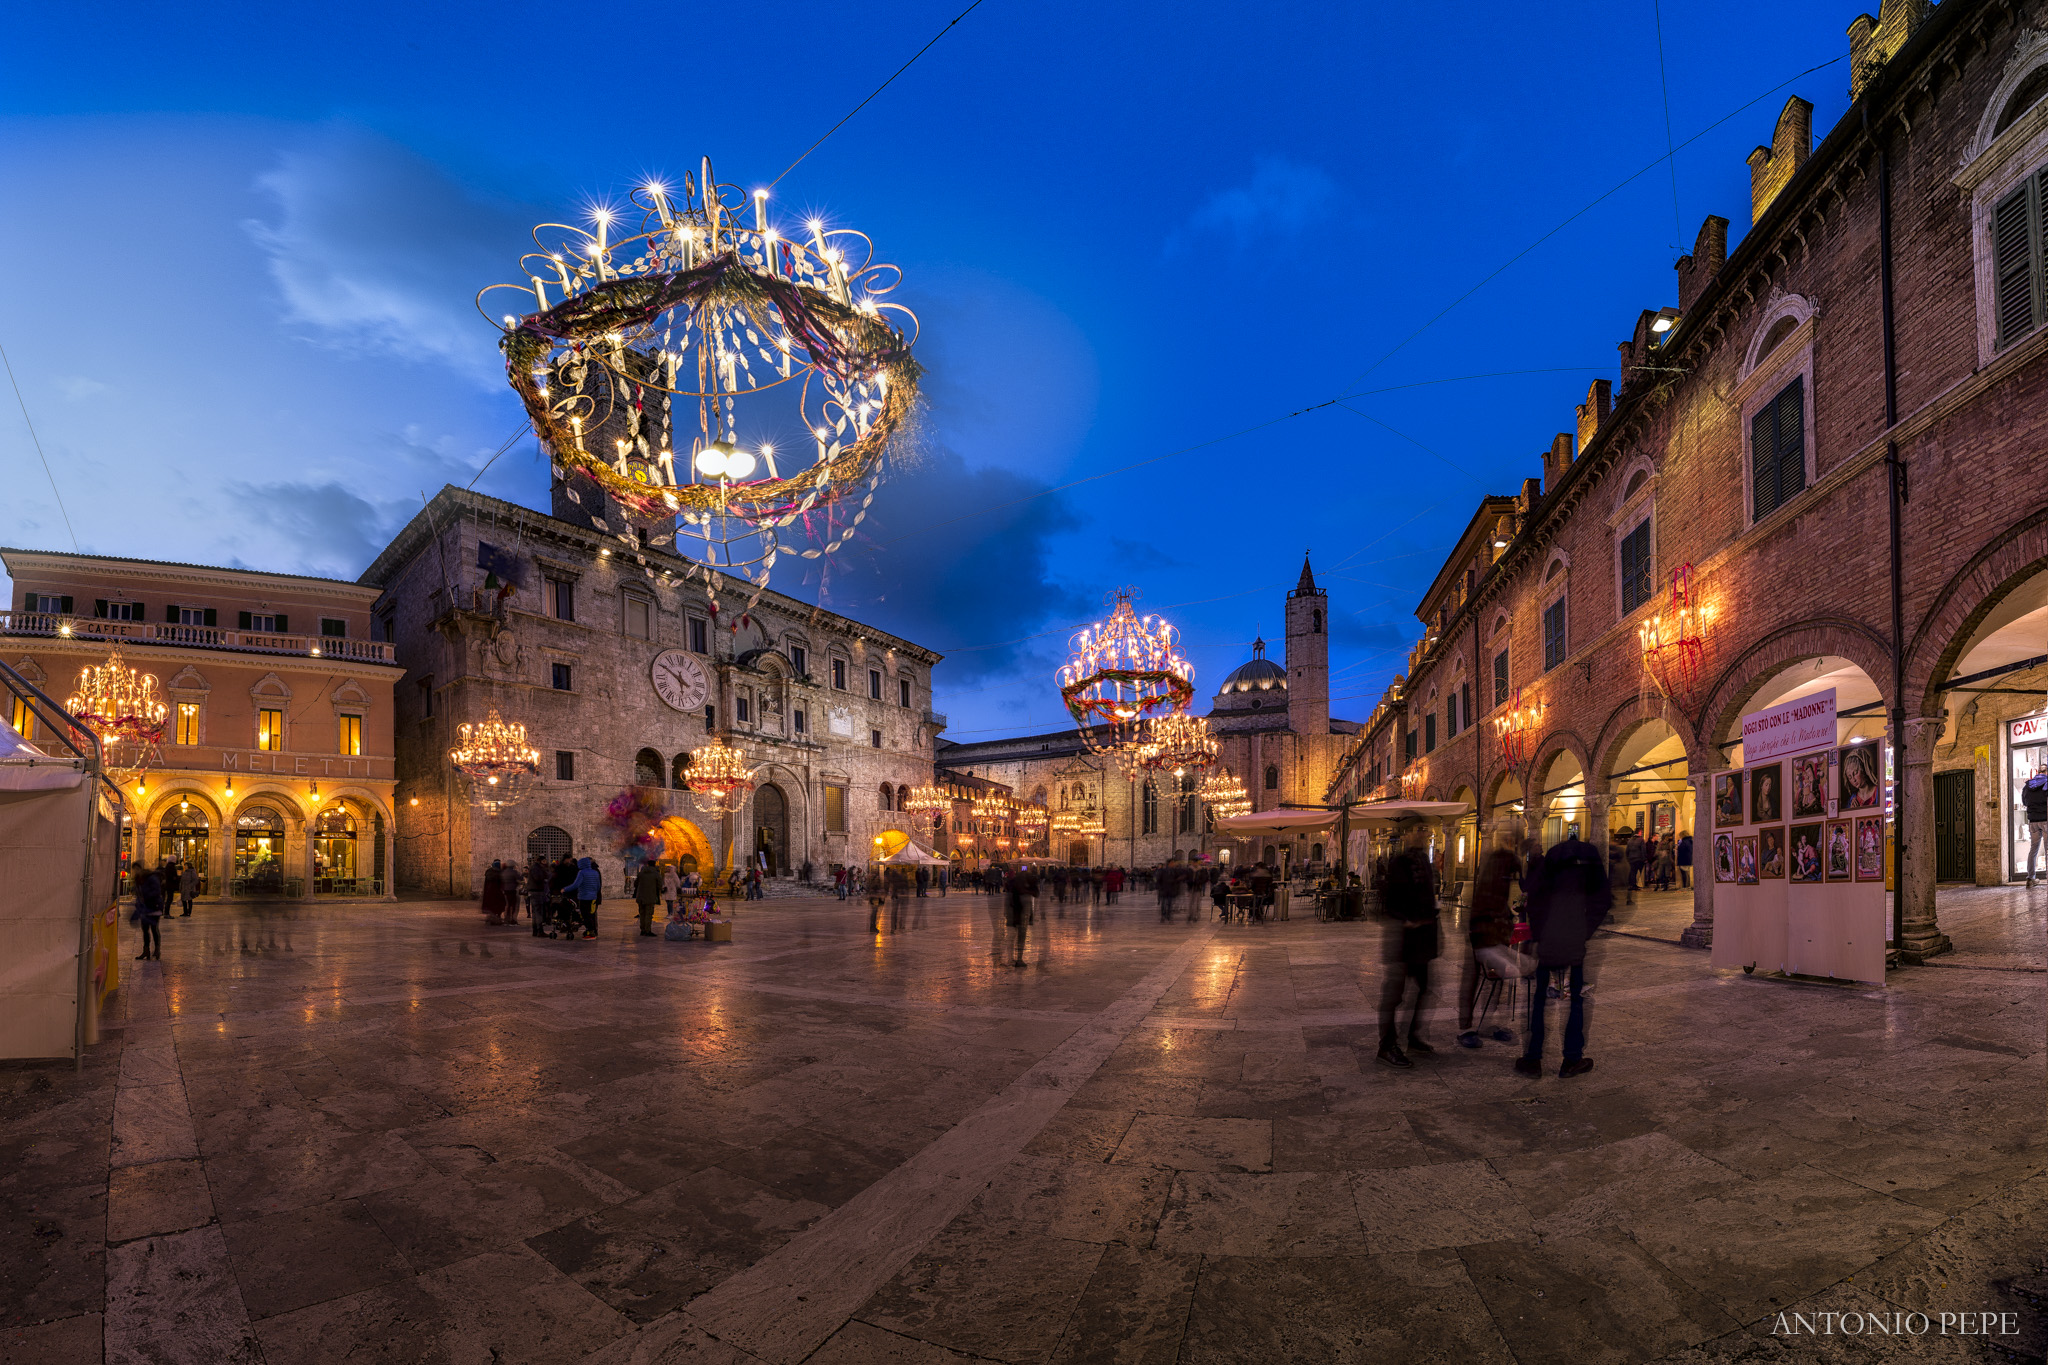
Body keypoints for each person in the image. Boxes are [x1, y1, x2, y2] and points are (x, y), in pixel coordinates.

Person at [1516, 827, 1610, 1079]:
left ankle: (1533, 1059)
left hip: (1549, 938)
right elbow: (1602, 900)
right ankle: (1571, 1059)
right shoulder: (1590, 858)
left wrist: (1537, 935)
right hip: (1574, 938)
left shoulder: (1552, 859)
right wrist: (1584, 931)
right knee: (1576, 998)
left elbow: (1533, 897)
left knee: (1539, 999)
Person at [1376, 822, 1440, 1067]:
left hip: (1423, 938)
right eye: (1420, 829)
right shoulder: (1399, 862)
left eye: (1426, 829)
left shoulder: (1424, 860)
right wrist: (1406, 920)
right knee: (1394, 995)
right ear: (1408, 833)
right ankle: (1387, 1045)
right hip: (1403, 938)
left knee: (1424, 988)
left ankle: (1413, 1036)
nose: (1424, 834)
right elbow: (1391, 902)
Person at [1458, 828, 1522, 1049]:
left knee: (1497, 976)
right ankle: (1465, 1028)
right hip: (1482, 929)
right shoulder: (1498, 863)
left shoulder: (1502, 867)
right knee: (1475, 976)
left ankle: (1487, 1023)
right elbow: (1487, 897)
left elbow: (1501, 896)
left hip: (1494, 929)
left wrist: (1508, 914)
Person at [131, 864, 164, 961]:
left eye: (136, 869)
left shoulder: (151, 878)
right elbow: (139, 894)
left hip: (154, 907)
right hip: (144, 908)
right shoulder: (138, 880)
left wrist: (146, 897)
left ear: (141, 869)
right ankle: (146, 951)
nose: (135, 872)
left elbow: (157, 891)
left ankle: (157, 950)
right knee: (145, 930)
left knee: (154, 928)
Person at [2024, 767, 2048, 887]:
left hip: (2033, 821)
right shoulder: (2046, 783)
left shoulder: (2028, 785)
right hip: (2045, 820)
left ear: (2038, 772)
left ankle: (2030, 878)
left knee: (2033, 850)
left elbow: (2024, 802)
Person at [571, 857, 602, 939]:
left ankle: (592, 931)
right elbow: (598, 886)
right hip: (593, 896)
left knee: (588, 915)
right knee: (590, 914)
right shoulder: (595, 871)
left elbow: (577, 884)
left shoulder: (587, 872)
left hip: (588, 897)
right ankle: (591, 931)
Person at [633, 858, 663, 936]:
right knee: (648, 914)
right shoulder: (656, 874)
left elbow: (635, 884)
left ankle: (642, 930)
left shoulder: (641, 873)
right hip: (650, 896)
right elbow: (660, 885)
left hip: (640, 896)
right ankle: (647, 930)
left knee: (642, 913)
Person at [481, 860, 507, 925]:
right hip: (497, 893)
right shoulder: (498, 874)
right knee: (499, 906)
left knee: (491, 907)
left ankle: (491, 919)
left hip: (488, 893)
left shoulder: (488, 872)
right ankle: (496, 920)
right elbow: (501, 884)